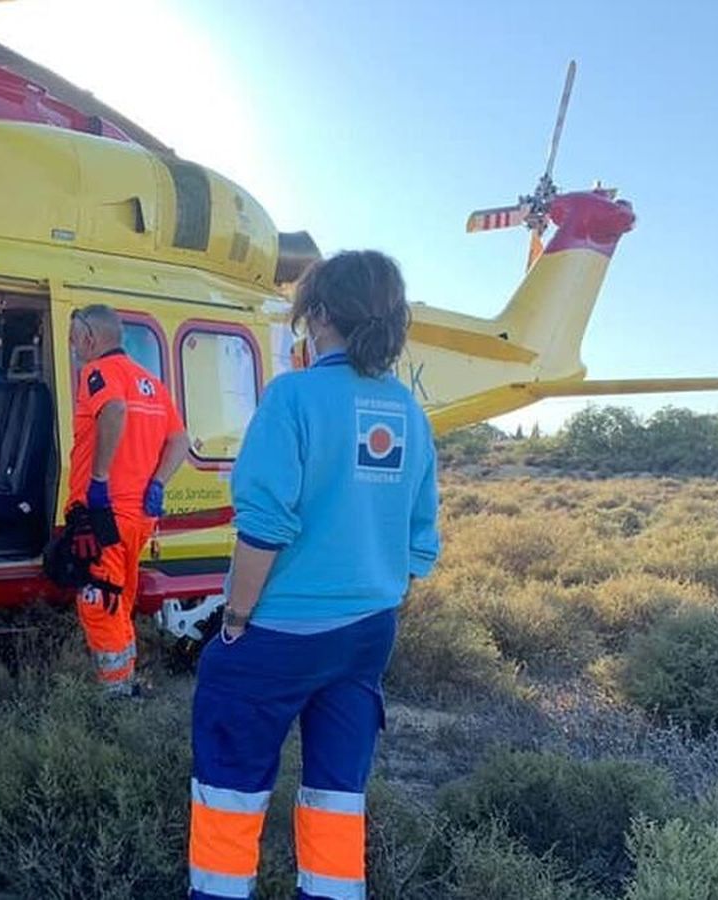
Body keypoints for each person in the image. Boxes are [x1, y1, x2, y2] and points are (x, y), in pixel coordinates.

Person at [187, 251, 440, 900]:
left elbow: (265, 526)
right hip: (367, 636)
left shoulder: (292, 396)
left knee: (230, 792)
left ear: (319, 314)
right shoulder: (409, 412)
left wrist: (235, 622)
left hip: (277, 635)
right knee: (336, 796)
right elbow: (419, 543)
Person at [64, 303, 189, 695]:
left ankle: (115, 695)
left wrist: (98, 479)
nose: (72, 347)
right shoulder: (149, 381)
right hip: (139, 517)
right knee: (119, 599)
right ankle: (126, 681)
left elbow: (114, 409)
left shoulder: (97, 372)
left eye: (72, 339)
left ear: (90, 337)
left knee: (98, 601)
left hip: (106, 512)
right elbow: (181, 440)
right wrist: (158, 483)